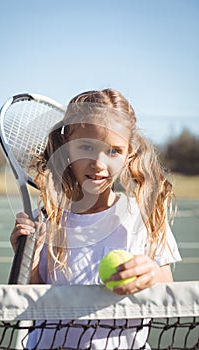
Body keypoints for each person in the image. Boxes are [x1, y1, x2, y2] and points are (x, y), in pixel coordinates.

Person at [10, 88, 181, 349]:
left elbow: (170, 294)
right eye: (87, 147)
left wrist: (151, 275)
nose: (99, 163)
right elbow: (29, 303)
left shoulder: (143, 217)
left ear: (128, 156)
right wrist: (29, 262)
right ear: (66, 150)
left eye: (114, 151)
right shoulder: (44, 220)